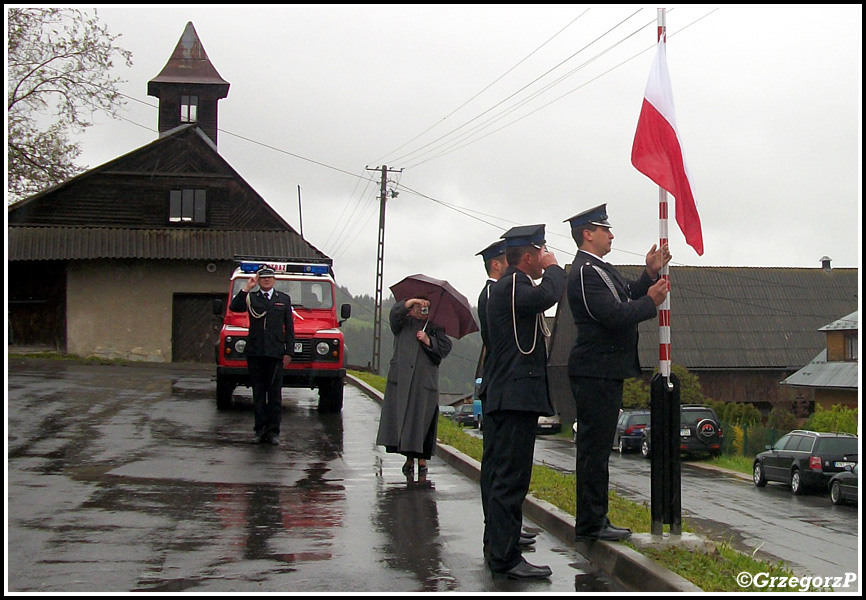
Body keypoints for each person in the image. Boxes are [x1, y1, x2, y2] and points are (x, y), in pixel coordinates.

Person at [564, 204, 670, 541]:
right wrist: (650, 303)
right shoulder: (584, 271)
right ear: (587, 234)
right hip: (594, 371)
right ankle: (592, 522)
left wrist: (649, 276)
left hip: (605, 371)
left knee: (598, 451)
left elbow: (625, 297)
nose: (611, 235)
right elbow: (611, 314)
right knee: (593, 452)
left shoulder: (600, 269)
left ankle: (596, 518)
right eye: (604, 230)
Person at [482, 224, 565, 579]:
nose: (544, 256)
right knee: (511, 480)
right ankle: (505, 557)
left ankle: (500, 548)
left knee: (506, 478)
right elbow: (550, 293)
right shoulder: (514, 285)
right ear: (528, 257)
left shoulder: (508, 289)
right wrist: (555, 266)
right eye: (540, 251)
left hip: (509, 395)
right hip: (514, 397)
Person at [475, 240, 537, 558]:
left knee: (501, 469)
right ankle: (498, 535)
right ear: (496, 265)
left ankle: (503, 532)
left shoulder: (498, 291)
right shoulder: (493, 293)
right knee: (501, 469)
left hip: (499, 383)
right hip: (503, 384)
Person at [376, 297, 453, 475]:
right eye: (417, 307)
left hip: (424, 384)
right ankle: (409, 459)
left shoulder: (435, 328)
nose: (421, 311)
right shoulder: (402, 324)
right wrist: (410, 302)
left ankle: (422, 461)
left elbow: (444, 349)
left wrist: (428, 341)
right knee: (405, 422)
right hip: (403, 381)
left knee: (422, 422)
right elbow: (394, 315)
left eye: (424, 308)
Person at [229, 266, 294, 445]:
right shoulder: (251, 297)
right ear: (259, 280)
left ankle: (273, 432)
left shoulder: (283, 299)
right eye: (263, 278)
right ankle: (259, 431)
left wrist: (289, 352)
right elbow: (234, 307)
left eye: (269, 278)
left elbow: (289, 327)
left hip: (275, 353)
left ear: (274, 280)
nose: (266, 280)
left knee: (274, 395)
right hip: (256, 352)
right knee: (258, 394)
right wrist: (247, 288)